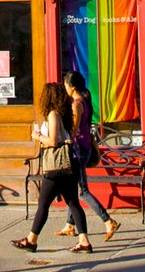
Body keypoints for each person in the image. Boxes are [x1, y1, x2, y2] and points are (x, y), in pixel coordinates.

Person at [12, 81, 92, 253]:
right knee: (73, 202)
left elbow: (54, 141)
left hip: (56, 168)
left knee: (43, 204)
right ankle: (84, 240)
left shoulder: (53, 115)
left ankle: (31, 240)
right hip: (68, 165)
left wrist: (38, 136)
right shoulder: (64, 114)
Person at [57, 70, 121, 242]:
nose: (64, 88)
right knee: (73, 186)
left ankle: (108, 221)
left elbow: (74, 130)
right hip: (84, 147)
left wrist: (59, 135)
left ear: (73, 87)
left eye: (65, 85)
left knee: (82, 191)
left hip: (79, 149)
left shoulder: (76, 104)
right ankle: (70, 225)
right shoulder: (83, 101)